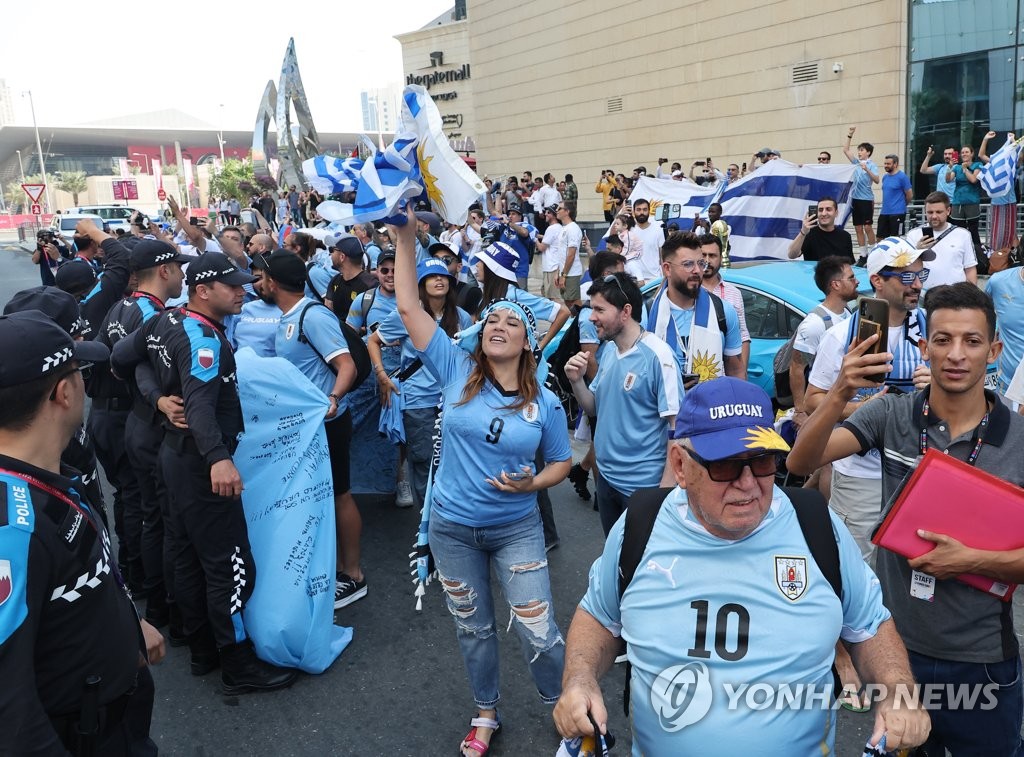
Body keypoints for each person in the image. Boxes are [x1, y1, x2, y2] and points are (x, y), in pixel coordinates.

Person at [554, 377, 931, 756]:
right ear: (680, 466)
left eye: (762, 460)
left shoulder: (813, 523)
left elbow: (869, 626)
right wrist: (579, 680)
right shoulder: (642, 524)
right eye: (726, 466)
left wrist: (898, 692)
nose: (748, 483)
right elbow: (600, 617)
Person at [788, 282, 1024, 757]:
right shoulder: (891, 413)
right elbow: (799, 462)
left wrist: (971, 560)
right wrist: (839, 392)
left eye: (972, 341)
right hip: (897, 654)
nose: (956, 354)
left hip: (981, 660)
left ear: (994, 351)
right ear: (924, 347)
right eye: (943, 340)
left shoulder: (1018, 437)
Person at [392, 206, 572, 757]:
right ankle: (485, 712)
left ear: (528, 342)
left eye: (511, 322)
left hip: (516, 529)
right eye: (491, 319)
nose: (498, 325)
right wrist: (405, 237)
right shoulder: (452, 369)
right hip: (450, 530)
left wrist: (533, 484)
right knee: (473, 630)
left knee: (539, 631)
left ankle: (566, 710)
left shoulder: (544, 403)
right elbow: (407, 304)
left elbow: (563, 463)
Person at [111, 252, 298, 693]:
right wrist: (218, 457)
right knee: (231, 566)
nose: (242, 291)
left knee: (186, 554)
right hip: (197, 463)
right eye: (231, 286)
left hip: (172, 460)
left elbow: (123, 358)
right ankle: (237, 665)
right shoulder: (203, 340)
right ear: (202, 291)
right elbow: (199, 405)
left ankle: (200, 650)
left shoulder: (166, 319)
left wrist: (154, 397)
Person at [0, 310, 167, 755]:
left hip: (113, 707)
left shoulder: (49, 473)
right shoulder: (14, 532)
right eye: (80, 372)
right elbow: (9, 713)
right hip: (81, 734)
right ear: (63, 391)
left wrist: (130, 623)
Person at [806, 237, 933, 562]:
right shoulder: (841, 336)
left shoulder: (932, 330)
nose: (917, 284)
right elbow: (812, 400)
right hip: (863, 479)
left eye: (921, 275)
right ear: (877, 280)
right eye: (907, 277)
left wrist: (937, 387)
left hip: (919, 475)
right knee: (858, 573)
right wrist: (861, 411)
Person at [93, 239, 191, 629]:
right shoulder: (153, 314)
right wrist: (156, 398)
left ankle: (135, 579)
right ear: (164, 271)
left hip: (111, 418)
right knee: (157, 515)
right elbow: (134, 368)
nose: (183, 274)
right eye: (179, 267)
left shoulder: (121, 305)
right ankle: (159, 600)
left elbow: (104, 355)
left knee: (133, 501)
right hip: (134, 419)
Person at [261, 251, 365, 609]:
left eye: (261, 277)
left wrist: (332, 398)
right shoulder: (287, 316)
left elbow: (346, 366)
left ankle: (353, 575)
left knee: (340, 494)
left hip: (328, 423)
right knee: (319, 497)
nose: (257, 283)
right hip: (305, 427)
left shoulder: (312, 315)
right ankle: (332, 568)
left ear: (273, 283)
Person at [565, 273, 683, 535]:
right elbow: (595, 408)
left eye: (599, 309)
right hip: (606, 481)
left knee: (639, 568)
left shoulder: (659, 356)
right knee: (614, 561)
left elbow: (679, 430)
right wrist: (577, 382)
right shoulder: (608, 350)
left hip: (643, 490)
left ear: (625, 311)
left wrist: (662, 493)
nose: (591, 317)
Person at [371, 256, 473, 510]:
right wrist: (382, 376)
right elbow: (373, 341)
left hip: (455, 400)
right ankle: (427, 526)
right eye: (431, 277)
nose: (439, 280)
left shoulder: (461, 317)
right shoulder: (407, 315)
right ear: (420, 283)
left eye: (444, 276)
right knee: (425, 462)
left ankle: (450, 519)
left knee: (455, 462)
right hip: (419, 402)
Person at [646, 232, 744, 385]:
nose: (698, 271)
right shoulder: (646, 314)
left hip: (710, 405)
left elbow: (736, 371)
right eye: (688, 264)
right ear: (667, 269)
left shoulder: (723, 312)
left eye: (700, 263)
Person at [788, 256, 859, 430]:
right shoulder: (814, 324)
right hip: (824, 410)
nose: (857, 282)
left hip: (844, 407)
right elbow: (797, 367)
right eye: (851, 278)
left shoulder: (848, 313)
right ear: (835, 284)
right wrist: (800, 411)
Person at [473, 240, 570, 350]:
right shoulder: (488, 293)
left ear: (492, 269)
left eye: (482, 261)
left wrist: (540, 347)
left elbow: (563, 312)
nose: (477, 264)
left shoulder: (514, 295)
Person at [905, 191, 977, 288]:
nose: (934, 216)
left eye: (939, 212)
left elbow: (970, 268)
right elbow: (905, 268)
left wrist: (971, 296)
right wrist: (916, 252)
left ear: (948, 211)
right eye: (930, 212)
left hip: (956, 294)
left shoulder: (963, 234)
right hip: (924, 294)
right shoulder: (913, 235)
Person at [699, 233, 750, 372]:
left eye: (712, 255)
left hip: (727, 372)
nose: (707, 260)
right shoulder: (690, 290)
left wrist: (741, 373)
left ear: (721, 258)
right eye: (703, 255)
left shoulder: (733, 292)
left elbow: (743, 335)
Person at [842, 126, 880, 257]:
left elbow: (876, 180)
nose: (859, 152)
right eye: (858, 150)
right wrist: (850, 134)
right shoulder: (856, 163)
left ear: (868, 152)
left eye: (862, 150)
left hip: (867, 200)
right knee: (858, 228)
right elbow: (845, 150)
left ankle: (873, 254)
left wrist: (867, 170)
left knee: (868, 227)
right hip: (855, 200)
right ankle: (863, 256)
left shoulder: (872, 165)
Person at [979, 130, 1019, 252]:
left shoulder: (1013, 164)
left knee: (1011, 232)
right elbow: (981, 155)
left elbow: (1020, 156)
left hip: (1009, 202)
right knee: (997, 233)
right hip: (997, 202)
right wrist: (985, 139)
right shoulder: (996, 162)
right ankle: (997, 257)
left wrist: (1014, 142)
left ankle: (1012, 257)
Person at [787, 196, 855, 262]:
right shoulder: (808, 234)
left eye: (828, 209)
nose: (824, 213)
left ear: (836, 213)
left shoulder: (845, 236)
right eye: (820, 210)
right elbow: (791, 255)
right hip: (814, 273)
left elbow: (850, 263)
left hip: (838, 273)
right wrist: (803, 232)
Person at [945, 145, 984, 258]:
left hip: (972, 201)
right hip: (958, 202)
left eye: (967, 152)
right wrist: (949, 167)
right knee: (958, 229)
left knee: (973, 230)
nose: (964, 154)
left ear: (972, 154)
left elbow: (973, 179)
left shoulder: (978, 165)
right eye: (962, 152)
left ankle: (978, 255)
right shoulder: (956, 168)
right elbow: (948, 180)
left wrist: (965, 169)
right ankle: (959, 254)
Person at [554, 201, 584, 309]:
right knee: (567, 301)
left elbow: (571, 254)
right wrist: (557, 272)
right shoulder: (564, 228)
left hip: (571, 272)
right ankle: (575, 322)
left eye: (559, 208)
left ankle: (583, 322)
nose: (556, 211)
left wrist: (564, 275)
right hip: (564, 271)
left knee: (573, 301)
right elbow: (561, 253)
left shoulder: (573, 228)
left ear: (567, 211)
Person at [628, 198, 665, 284]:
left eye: (645, 209)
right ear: (633, 211)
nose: (641, 213)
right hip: (633, 279)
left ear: (649, 211)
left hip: (654, 279)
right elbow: (612, 240)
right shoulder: (628, 229)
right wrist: (622, 213)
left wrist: (665, 277)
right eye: (638, 209)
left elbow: (662, 256)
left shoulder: (658, 230)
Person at [877, 154, 913, 238]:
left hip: (898, 213)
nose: (886, 165)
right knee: (880, 238)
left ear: (895, 164)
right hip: (884, 212)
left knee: (896, 238)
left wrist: (903, 205)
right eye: (885, 163)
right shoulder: (885, 177)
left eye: (888, 164)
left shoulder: (902, 177)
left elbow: (910, 195)